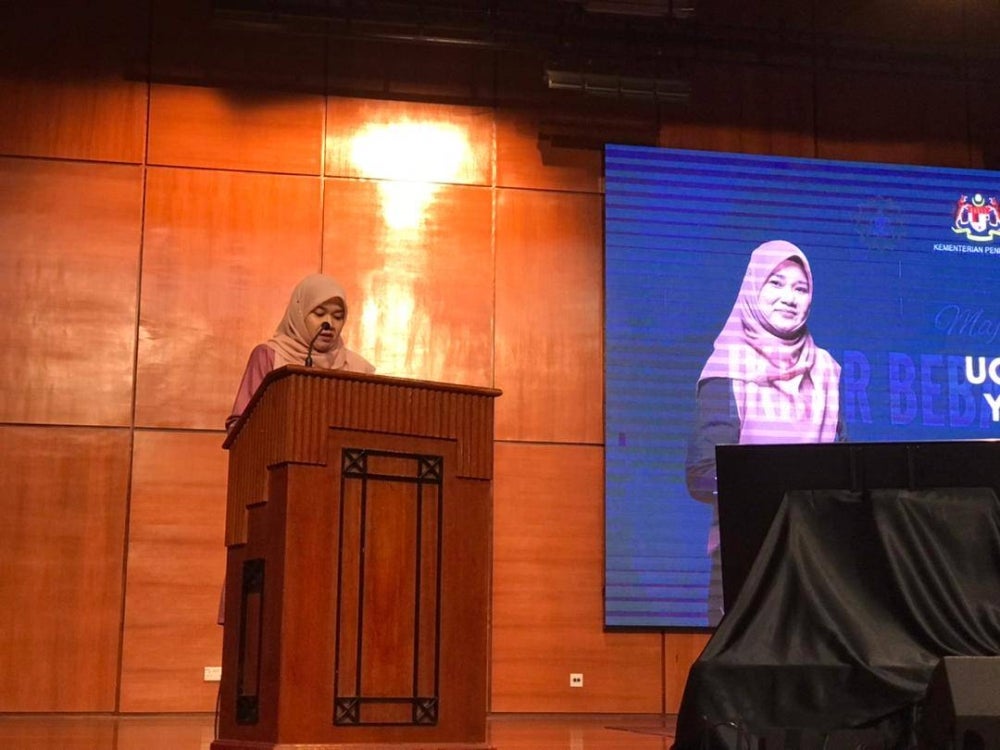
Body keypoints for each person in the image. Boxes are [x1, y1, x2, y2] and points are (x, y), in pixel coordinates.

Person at [685, 240, 844, 626]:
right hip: (744, 561)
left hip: (814, 562)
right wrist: (771, 487)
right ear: (753, 288)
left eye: (800, 288)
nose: (789, 298)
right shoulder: (727, 364)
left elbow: (843, 469)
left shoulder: (826, 369)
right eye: (776, 283)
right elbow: (702, 473)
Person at [225, 273, 375, 432]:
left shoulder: (358, 368)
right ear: (299, 313)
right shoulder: (270, 357)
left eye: (337, 316)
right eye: (319, 314)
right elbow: (240, 425)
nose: (329, 323)